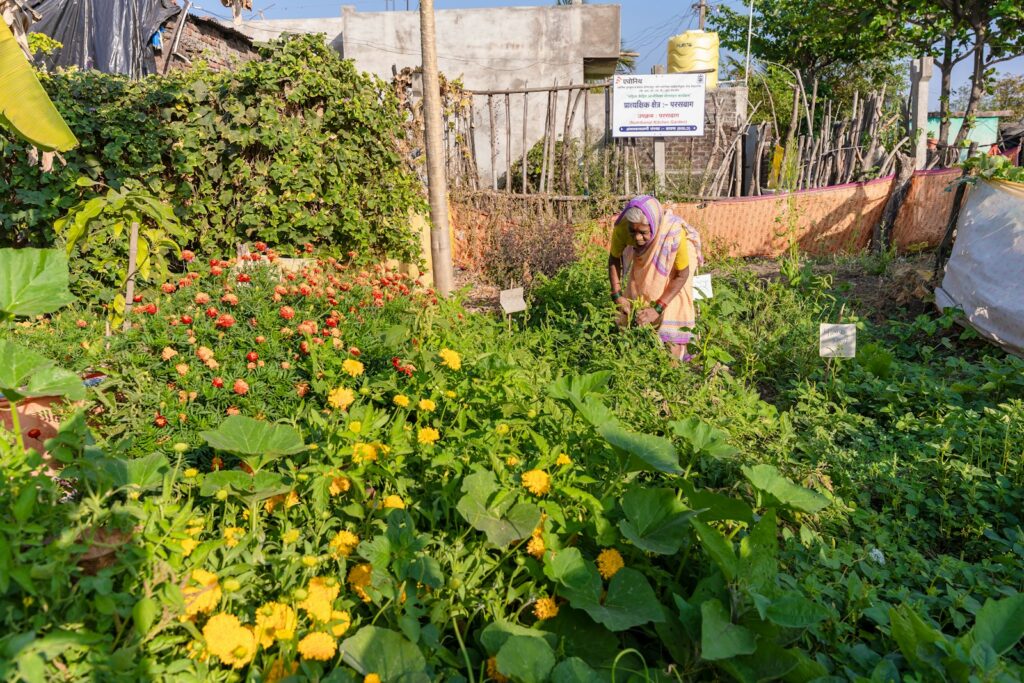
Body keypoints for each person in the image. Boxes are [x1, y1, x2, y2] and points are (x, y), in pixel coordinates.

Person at [608, 195, 703, 360]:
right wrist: (617, 296)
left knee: (675, 302)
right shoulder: (623, 228)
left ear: (655, 225)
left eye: (643, 232)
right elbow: (614, 258)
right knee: (639, 288)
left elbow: (682, 275)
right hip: (645, 254)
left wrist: (657, 309)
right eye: (633, 231)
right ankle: (642, 336)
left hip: (680, 262)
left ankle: (675, 356)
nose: (637, 237)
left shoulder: (673, 234)